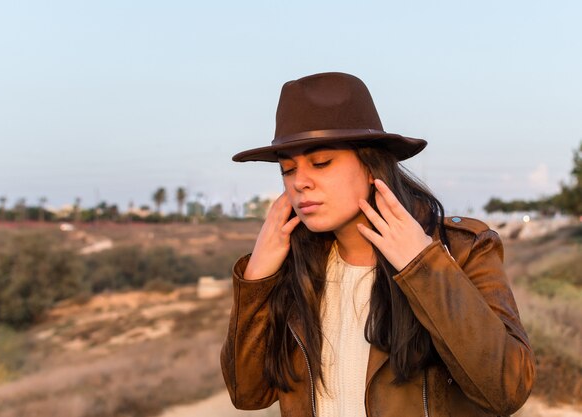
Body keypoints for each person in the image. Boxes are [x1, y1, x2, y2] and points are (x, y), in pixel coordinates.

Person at [221, 72, 535, 417]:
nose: (300, 183)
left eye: (321, 163)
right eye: (287, 169)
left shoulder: (462, 250)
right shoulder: (294, 268)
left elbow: (507, 390)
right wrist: (257, 277)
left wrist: (423, 266)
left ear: (372, 167)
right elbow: (247, 394)